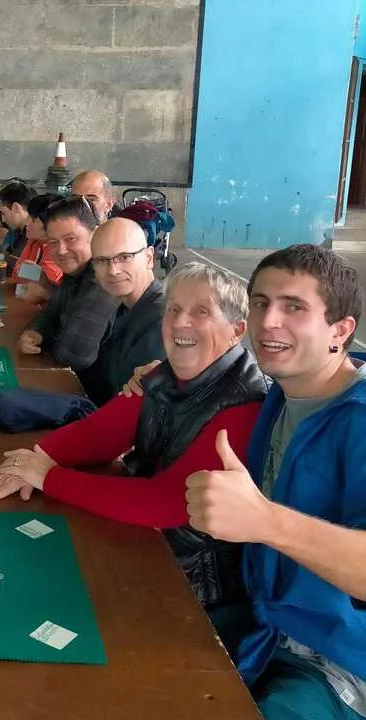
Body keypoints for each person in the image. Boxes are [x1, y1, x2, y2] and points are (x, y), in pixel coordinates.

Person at [0, 262, 267, 652]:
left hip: (193, 587)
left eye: (201, 311)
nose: (180, 322)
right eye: (174, 309)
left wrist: (48, 477)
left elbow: (169, 504)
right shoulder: (166, 373)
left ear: (237, 331)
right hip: (144, 543)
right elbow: (103, 433)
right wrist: (34, 459)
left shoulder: (245, 403)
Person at [184, 245, 366, 720]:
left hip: (340, 663)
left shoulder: (360, 420)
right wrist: (157, 377)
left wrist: (265, 521)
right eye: (261, 303)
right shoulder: (282, 394)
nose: (268, 322)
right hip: (265, 625)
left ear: (340, 330)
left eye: (294, 307)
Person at [18, 196, 118, 378]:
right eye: (53, 242)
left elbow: (73, 355)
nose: (61, 250)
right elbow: (50, 313)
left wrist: (46, 340)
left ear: (95, 235)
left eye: (71, 239)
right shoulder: (75, 272)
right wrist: (35, 332)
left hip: (93, 391)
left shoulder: (103, 280)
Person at [77, 217, 165, 406]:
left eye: (125, 257)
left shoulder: (162, 321)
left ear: (149, 258)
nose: (113, 270)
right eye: (102, 260)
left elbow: (130, 404)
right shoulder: (123, 307)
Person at [12, 192, 63, 306]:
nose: (26, 222)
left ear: (49, 224)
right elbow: (17, 277)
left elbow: (36, 292)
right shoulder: (35, 242)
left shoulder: (57, 249)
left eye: (33, 219)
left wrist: (29, 275)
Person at [0, 179, 37, 265]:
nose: (3, 220)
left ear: (15, 208)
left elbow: (16, 265)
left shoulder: (33, 234)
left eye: (3, 213)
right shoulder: (20, 230)